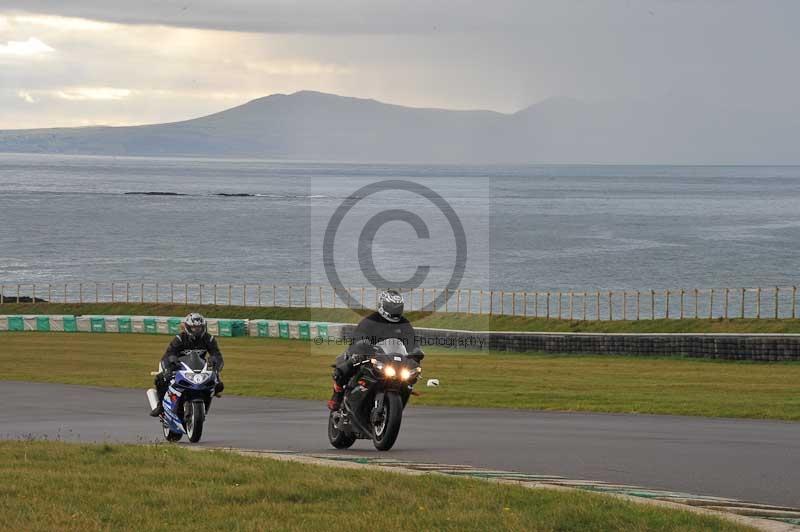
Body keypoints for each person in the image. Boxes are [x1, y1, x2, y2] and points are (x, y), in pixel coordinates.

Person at [328, 289, 422, 411]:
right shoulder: (371, 320)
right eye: (392, 308)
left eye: (397, 308)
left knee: (410, 375)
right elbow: (359, 335)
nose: (395, 311)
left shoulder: (404, 323)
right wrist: (362, 343)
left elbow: (411, 341)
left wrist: (415, 352)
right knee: (352, 361)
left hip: (390, 359)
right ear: (383, 305)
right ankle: (338, 393)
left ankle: (394, 405)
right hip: (368, 355)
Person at [149, 313, 224, 417]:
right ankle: (160, 406)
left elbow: (217, 355)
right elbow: (168, 354)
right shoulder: (180, 339)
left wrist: (215, 364)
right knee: (160, 379)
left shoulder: (209, 339)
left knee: (219, 385)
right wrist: (168, 368)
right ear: (188, 327)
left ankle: (204, 403)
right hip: (179, 367)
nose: (197, 330)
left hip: (199, 368)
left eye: (199, 327)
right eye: (194, 328)